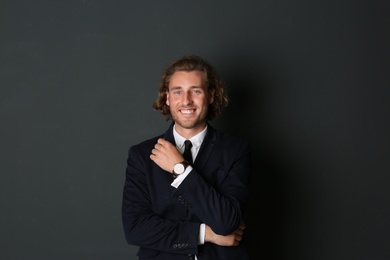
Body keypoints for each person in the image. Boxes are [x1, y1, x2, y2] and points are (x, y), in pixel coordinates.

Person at [122, 55, 251, 260]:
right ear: (167, 98)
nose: (186, 101)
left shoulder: (236, 150)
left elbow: (227, 222)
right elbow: (136, 228)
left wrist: (180, 168)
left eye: (196, 91)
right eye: (178, 91)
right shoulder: (141, 155)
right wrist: (205, 234)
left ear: (210, 96)